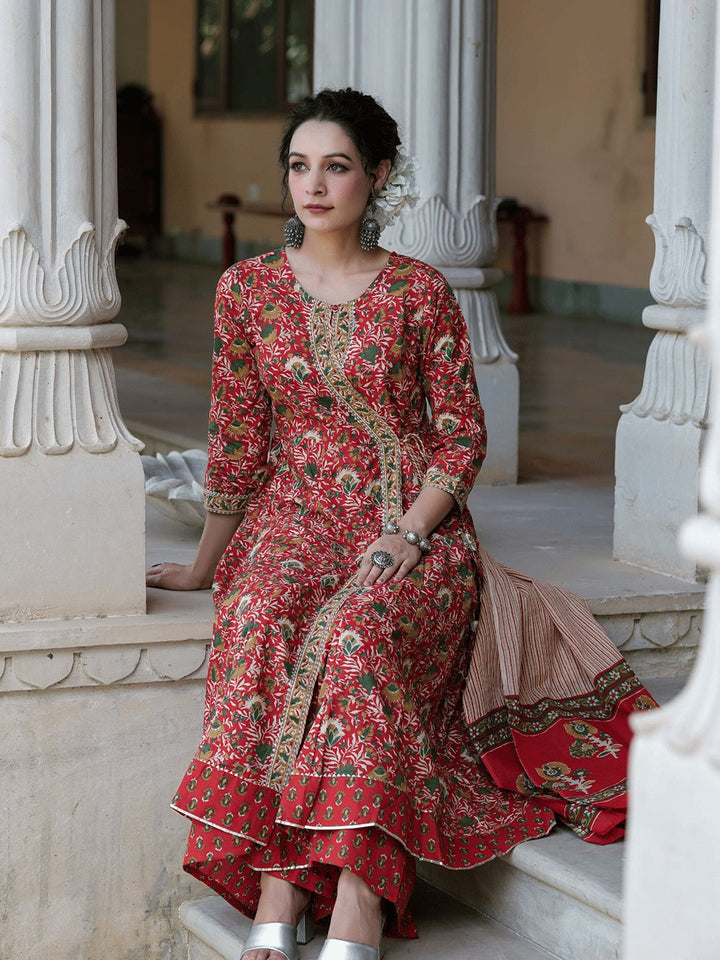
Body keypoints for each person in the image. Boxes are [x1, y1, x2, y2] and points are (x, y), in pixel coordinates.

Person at [147, 88, 657, 960]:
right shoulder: (249, 291)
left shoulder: (419, 291)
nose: (314, 185)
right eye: (300, 166)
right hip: (293, 519)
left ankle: (356, 895)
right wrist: (204, 567)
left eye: (336, 167)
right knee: (263, 618)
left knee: (357, 636)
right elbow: (237, 438)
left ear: (376, 176)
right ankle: (278, 877)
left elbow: (463, 436)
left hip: (407, 523)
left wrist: (412, 532)